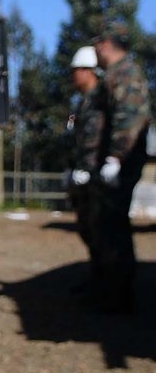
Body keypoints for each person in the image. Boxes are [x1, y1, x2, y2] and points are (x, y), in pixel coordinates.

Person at [88, 20, 152, 313]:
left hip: (121, 164)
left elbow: (130, 117)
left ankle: (120, 296)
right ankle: (107, 289)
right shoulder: (115, 74)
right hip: (112, 163)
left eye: (97, 43)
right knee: (105, 225)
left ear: (106, 43)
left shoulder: (126, 74)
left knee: (114, 227)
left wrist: (115, 157)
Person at [66, 45, 104, 293]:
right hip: (82, 175)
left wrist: (86, 169)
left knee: (101, 231)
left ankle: (107, 285)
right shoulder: (82, 103)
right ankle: (97, 279)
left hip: (96, 177)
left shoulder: (100, 100)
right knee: (88, 229)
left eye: (77, 70)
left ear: (89, 71)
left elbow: (96, 138)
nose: (74, 76)